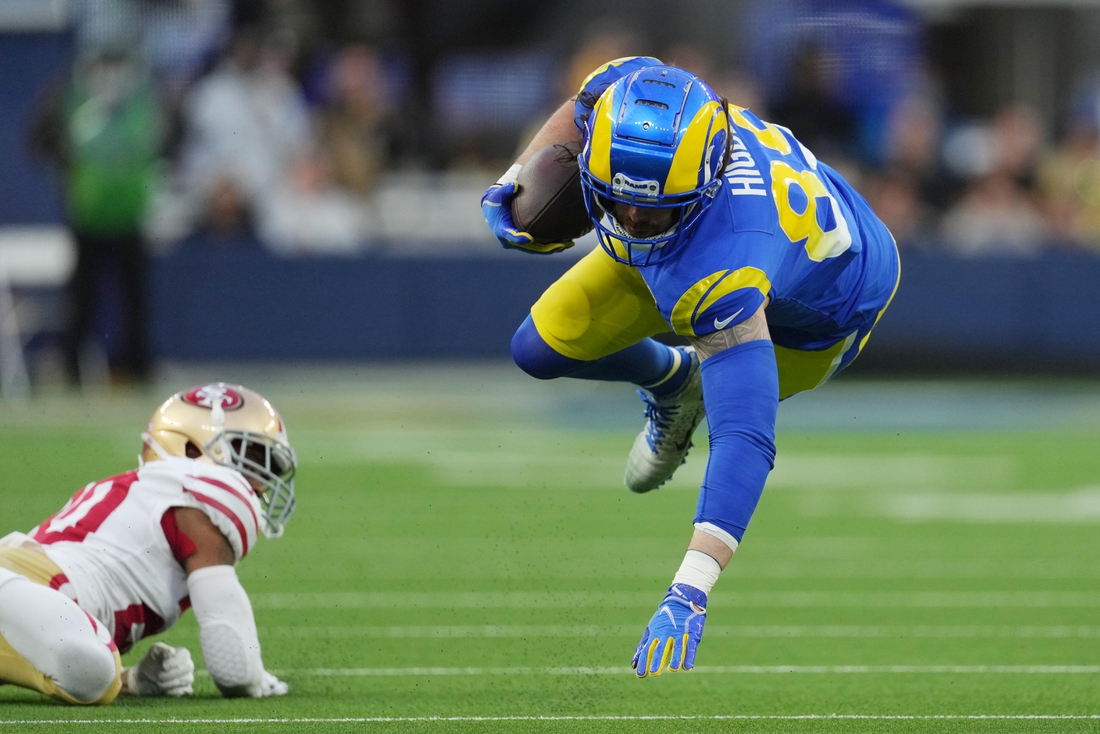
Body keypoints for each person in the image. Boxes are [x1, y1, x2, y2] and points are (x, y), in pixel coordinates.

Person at [481, 58, 900, 677]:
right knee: (538, 348)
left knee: (723, 389)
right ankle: (671, 381)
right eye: (618, 203)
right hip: (713, 236)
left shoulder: (726, 263)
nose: (632, 225)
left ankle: (691, 383)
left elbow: (747, 440)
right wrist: (516, 176)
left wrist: (690, 590)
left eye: (652, 211)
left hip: (822, 313)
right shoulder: (636, 90)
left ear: (700, 183)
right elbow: (581, 107)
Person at [0, 383, 296, 704]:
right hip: (33, 581)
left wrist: (132, 680)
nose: (262, 481)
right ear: (192, 449)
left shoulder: (148, 490)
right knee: (93, 671)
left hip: (23, 587)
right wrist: (254, 679)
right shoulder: (199, 490)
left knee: (96, 671)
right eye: (251, 456)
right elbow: (235, 673)